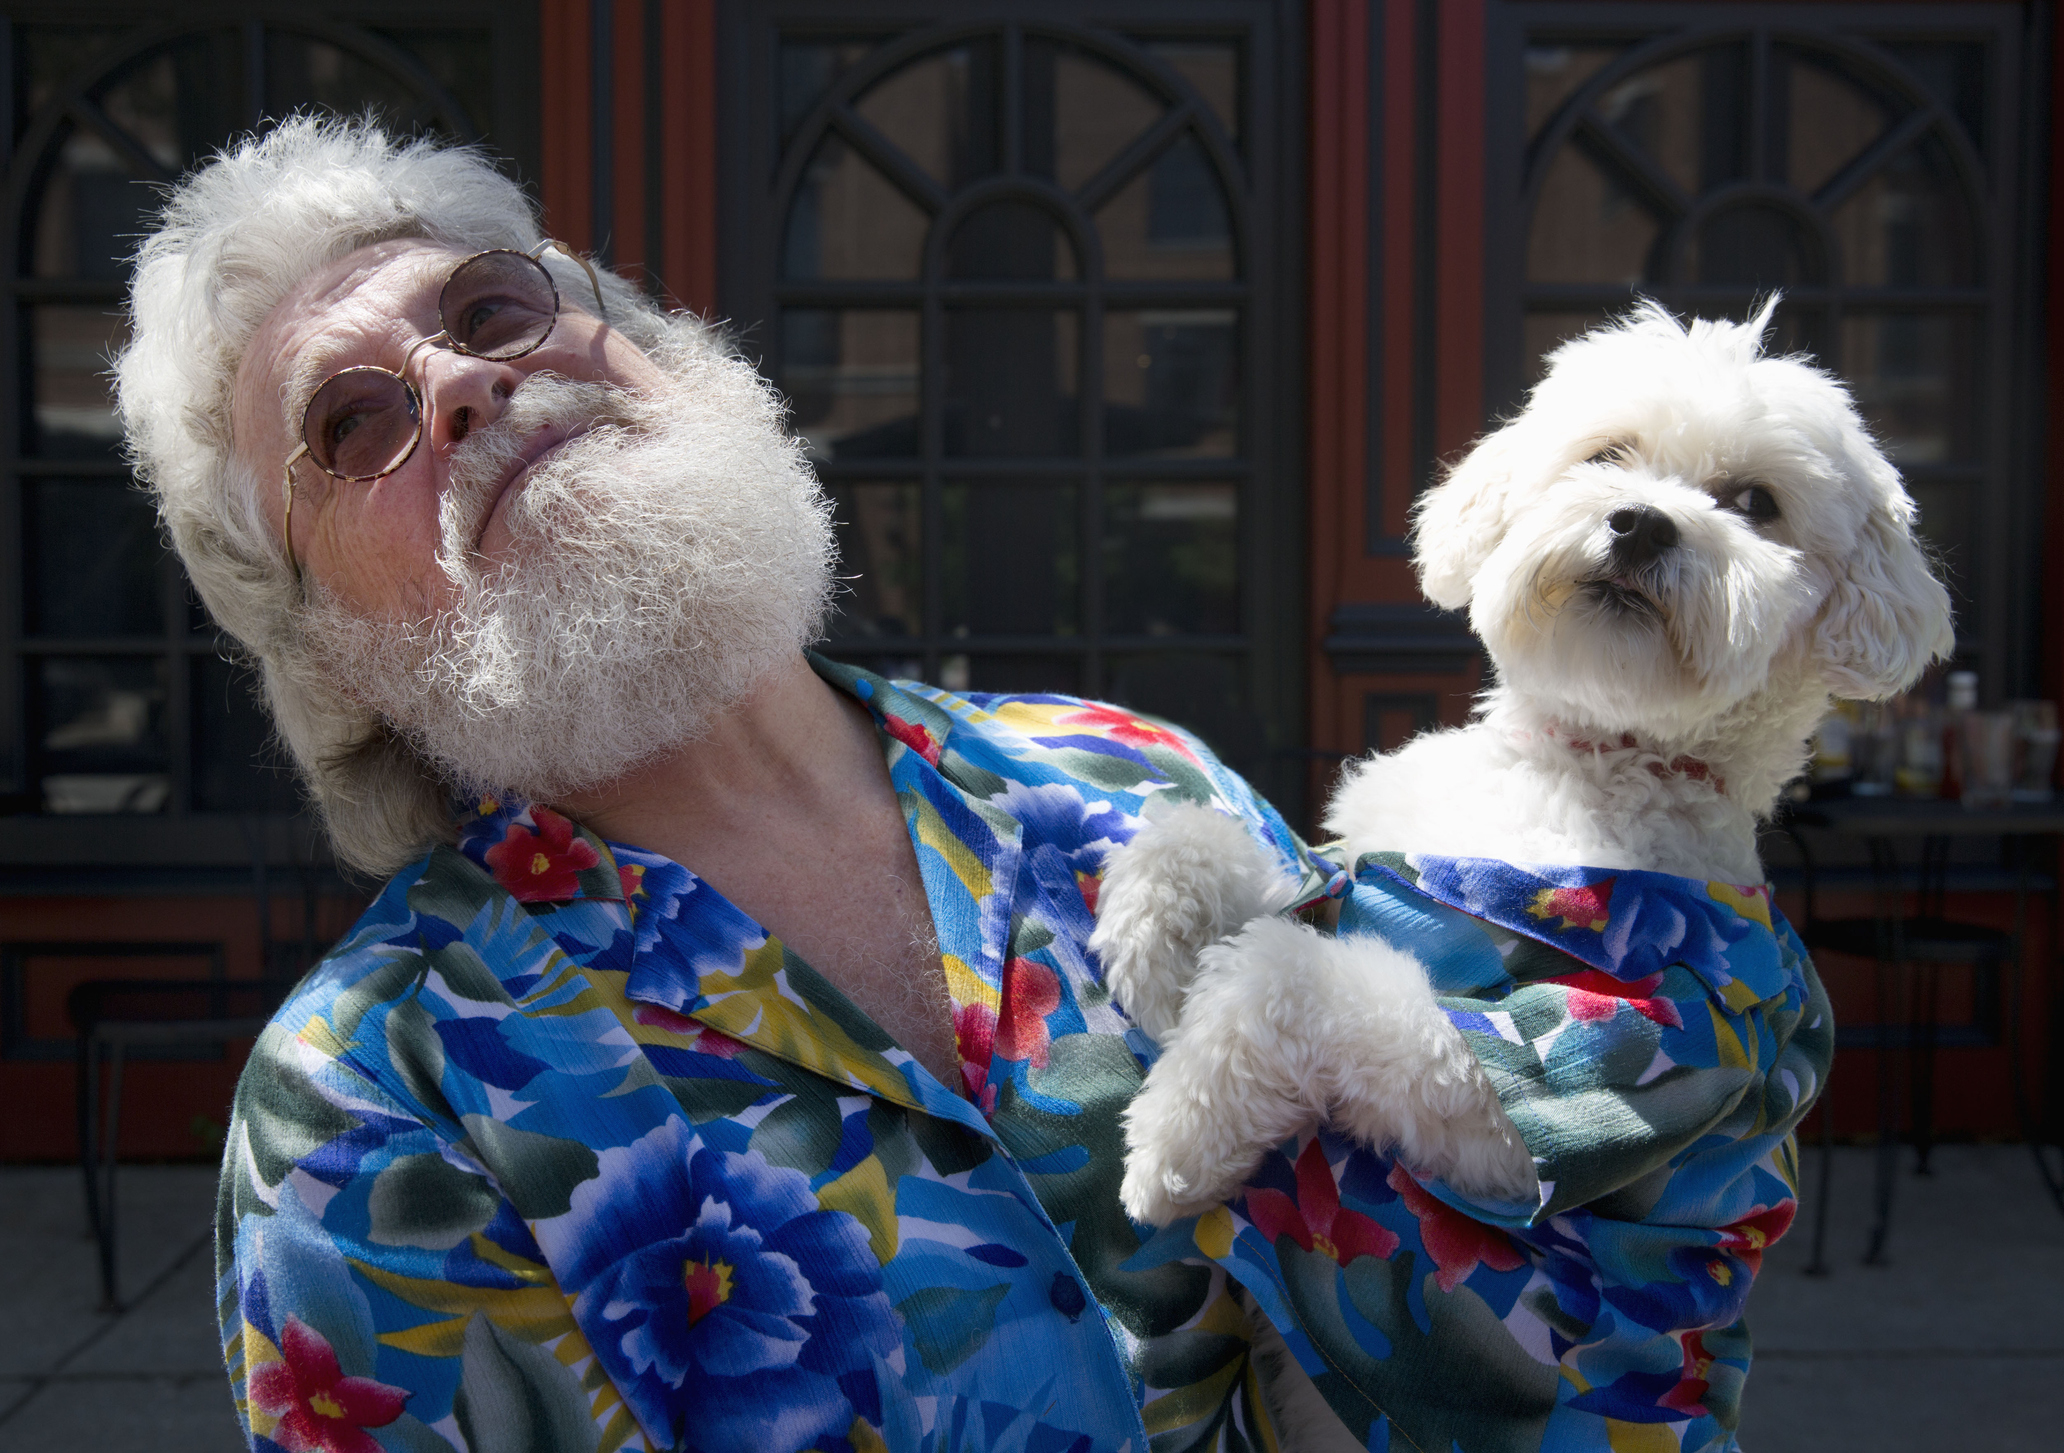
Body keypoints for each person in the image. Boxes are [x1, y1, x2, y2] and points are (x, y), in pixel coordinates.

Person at [123, 120, 1821, 1453]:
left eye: (493, 307)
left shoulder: (1129, 786)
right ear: (328, 648)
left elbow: (1488, 1302)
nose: (466, 382)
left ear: (657, 351)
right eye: (353, 427)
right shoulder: (371, 1104)